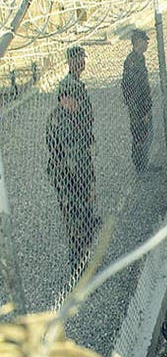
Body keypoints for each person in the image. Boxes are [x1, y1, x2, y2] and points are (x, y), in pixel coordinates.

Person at [47, 76, 100, 275]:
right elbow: (76, 160)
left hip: (73, 178)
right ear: (64, 98)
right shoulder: (62, 122)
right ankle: (79, 269)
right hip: (69, 181)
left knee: (81, 222)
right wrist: (88, 187)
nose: (78, 104)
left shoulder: (68, 116)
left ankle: (82, 262)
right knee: (77, 225)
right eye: (75, 100)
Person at [121, 29, 153, 173]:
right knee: (139, 134)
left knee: (144, 134)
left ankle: (143, 162)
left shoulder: (139, 58)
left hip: (141, 104)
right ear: (138, 42)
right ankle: (140, 165)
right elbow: (134, 89)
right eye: (145, 41)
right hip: (137, 106)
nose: (147, 44)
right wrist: (143, 110)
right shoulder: (132, 61)